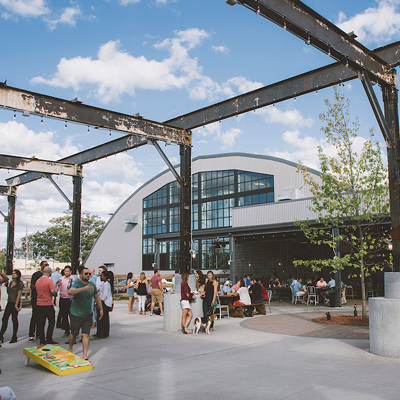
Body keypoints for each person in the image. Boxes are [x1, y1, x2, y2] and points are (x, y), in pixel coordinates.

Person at [68, 266, 103, 361]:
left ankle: (84, 355)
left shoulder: (92, 285)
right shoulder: (77, 284)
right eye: (86, 274)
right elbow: (70, 292)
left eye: (89, 274)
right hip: (76, 313)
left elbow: (96, 297)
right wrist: (83, 289)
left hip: (87, 314)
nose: (88, 275)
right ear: (81, 275)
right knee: (73, 334)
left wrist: (100, 309)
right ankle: (70, 349)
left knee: (86, 334)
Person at [36, 266, 58, 345]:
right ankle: (49, 338)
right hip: (47, 304)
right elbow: (53, 292)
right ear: (50, 273)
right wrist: (56, 289)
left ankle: (42, 339)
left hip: (39, 304)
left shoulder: (38, 281)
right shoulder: (49, 281)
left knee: (41, 322)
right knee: (51, 321)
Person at [0, 270, 23, 344]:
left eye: (14, 274)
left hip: (15, 303)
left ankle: (14, 336)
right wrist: (7, 286)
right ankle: (1, 335)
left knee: (14, 319)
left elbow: (18, 295)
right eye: (12, 273)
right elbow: (8, 292)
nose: (13, 275)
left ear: (18, 275)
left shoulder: (19, 283)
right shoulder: (10, 283)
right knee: (4, 319)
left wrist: (16, 305)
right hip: (9, 302)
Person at [28, 260, 47, 342]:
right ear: (41, 266)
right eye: (45, 265)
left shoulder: (47, 275)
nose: (47, 266)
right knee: (35, 316)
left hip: (44, 299)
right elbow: (32, 285)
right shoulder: (36, 275)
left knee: (42, 317)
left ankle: (40, 333)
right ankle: (31, 334)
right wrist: (40, 287)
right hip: (36, 298)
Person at [93, 270, 113, 339]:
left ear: (105, 277)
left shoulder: (106, 284)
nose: (100, 277)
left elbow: (105, 295)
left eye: (102, 276)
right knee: (105, 318)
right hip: (105, 303)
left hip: (105, 303)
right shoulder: (105, 284)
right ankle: (104, 333)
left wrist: (100, 303)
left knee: (101, 318)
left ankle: (100, 333)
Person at [57, 265, 72, 338]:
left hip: (71, 299)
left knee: (72, 315)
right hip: (63, 299)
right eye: (65, 271)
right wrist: (57, 283)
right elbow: (56, 288)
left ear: (70, 272)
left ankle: (73, 331)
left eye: (68, 271)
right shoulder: (61, 279)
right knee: (64, 316)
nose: (66, 272)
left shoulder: (72, 279)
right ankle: (66, 330)